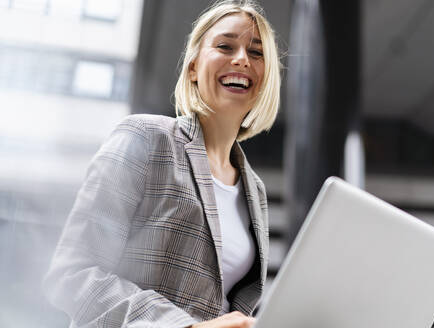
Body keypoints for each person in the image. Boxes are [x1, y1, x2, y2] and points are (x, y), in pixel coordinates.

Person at [43, 0, 281, 327]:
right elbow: (73, 273)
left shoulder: (256, 190)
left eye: (256, 53)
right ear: (194, 67)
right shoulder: (146, 137)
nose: (241, 59)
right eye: (225, 46)